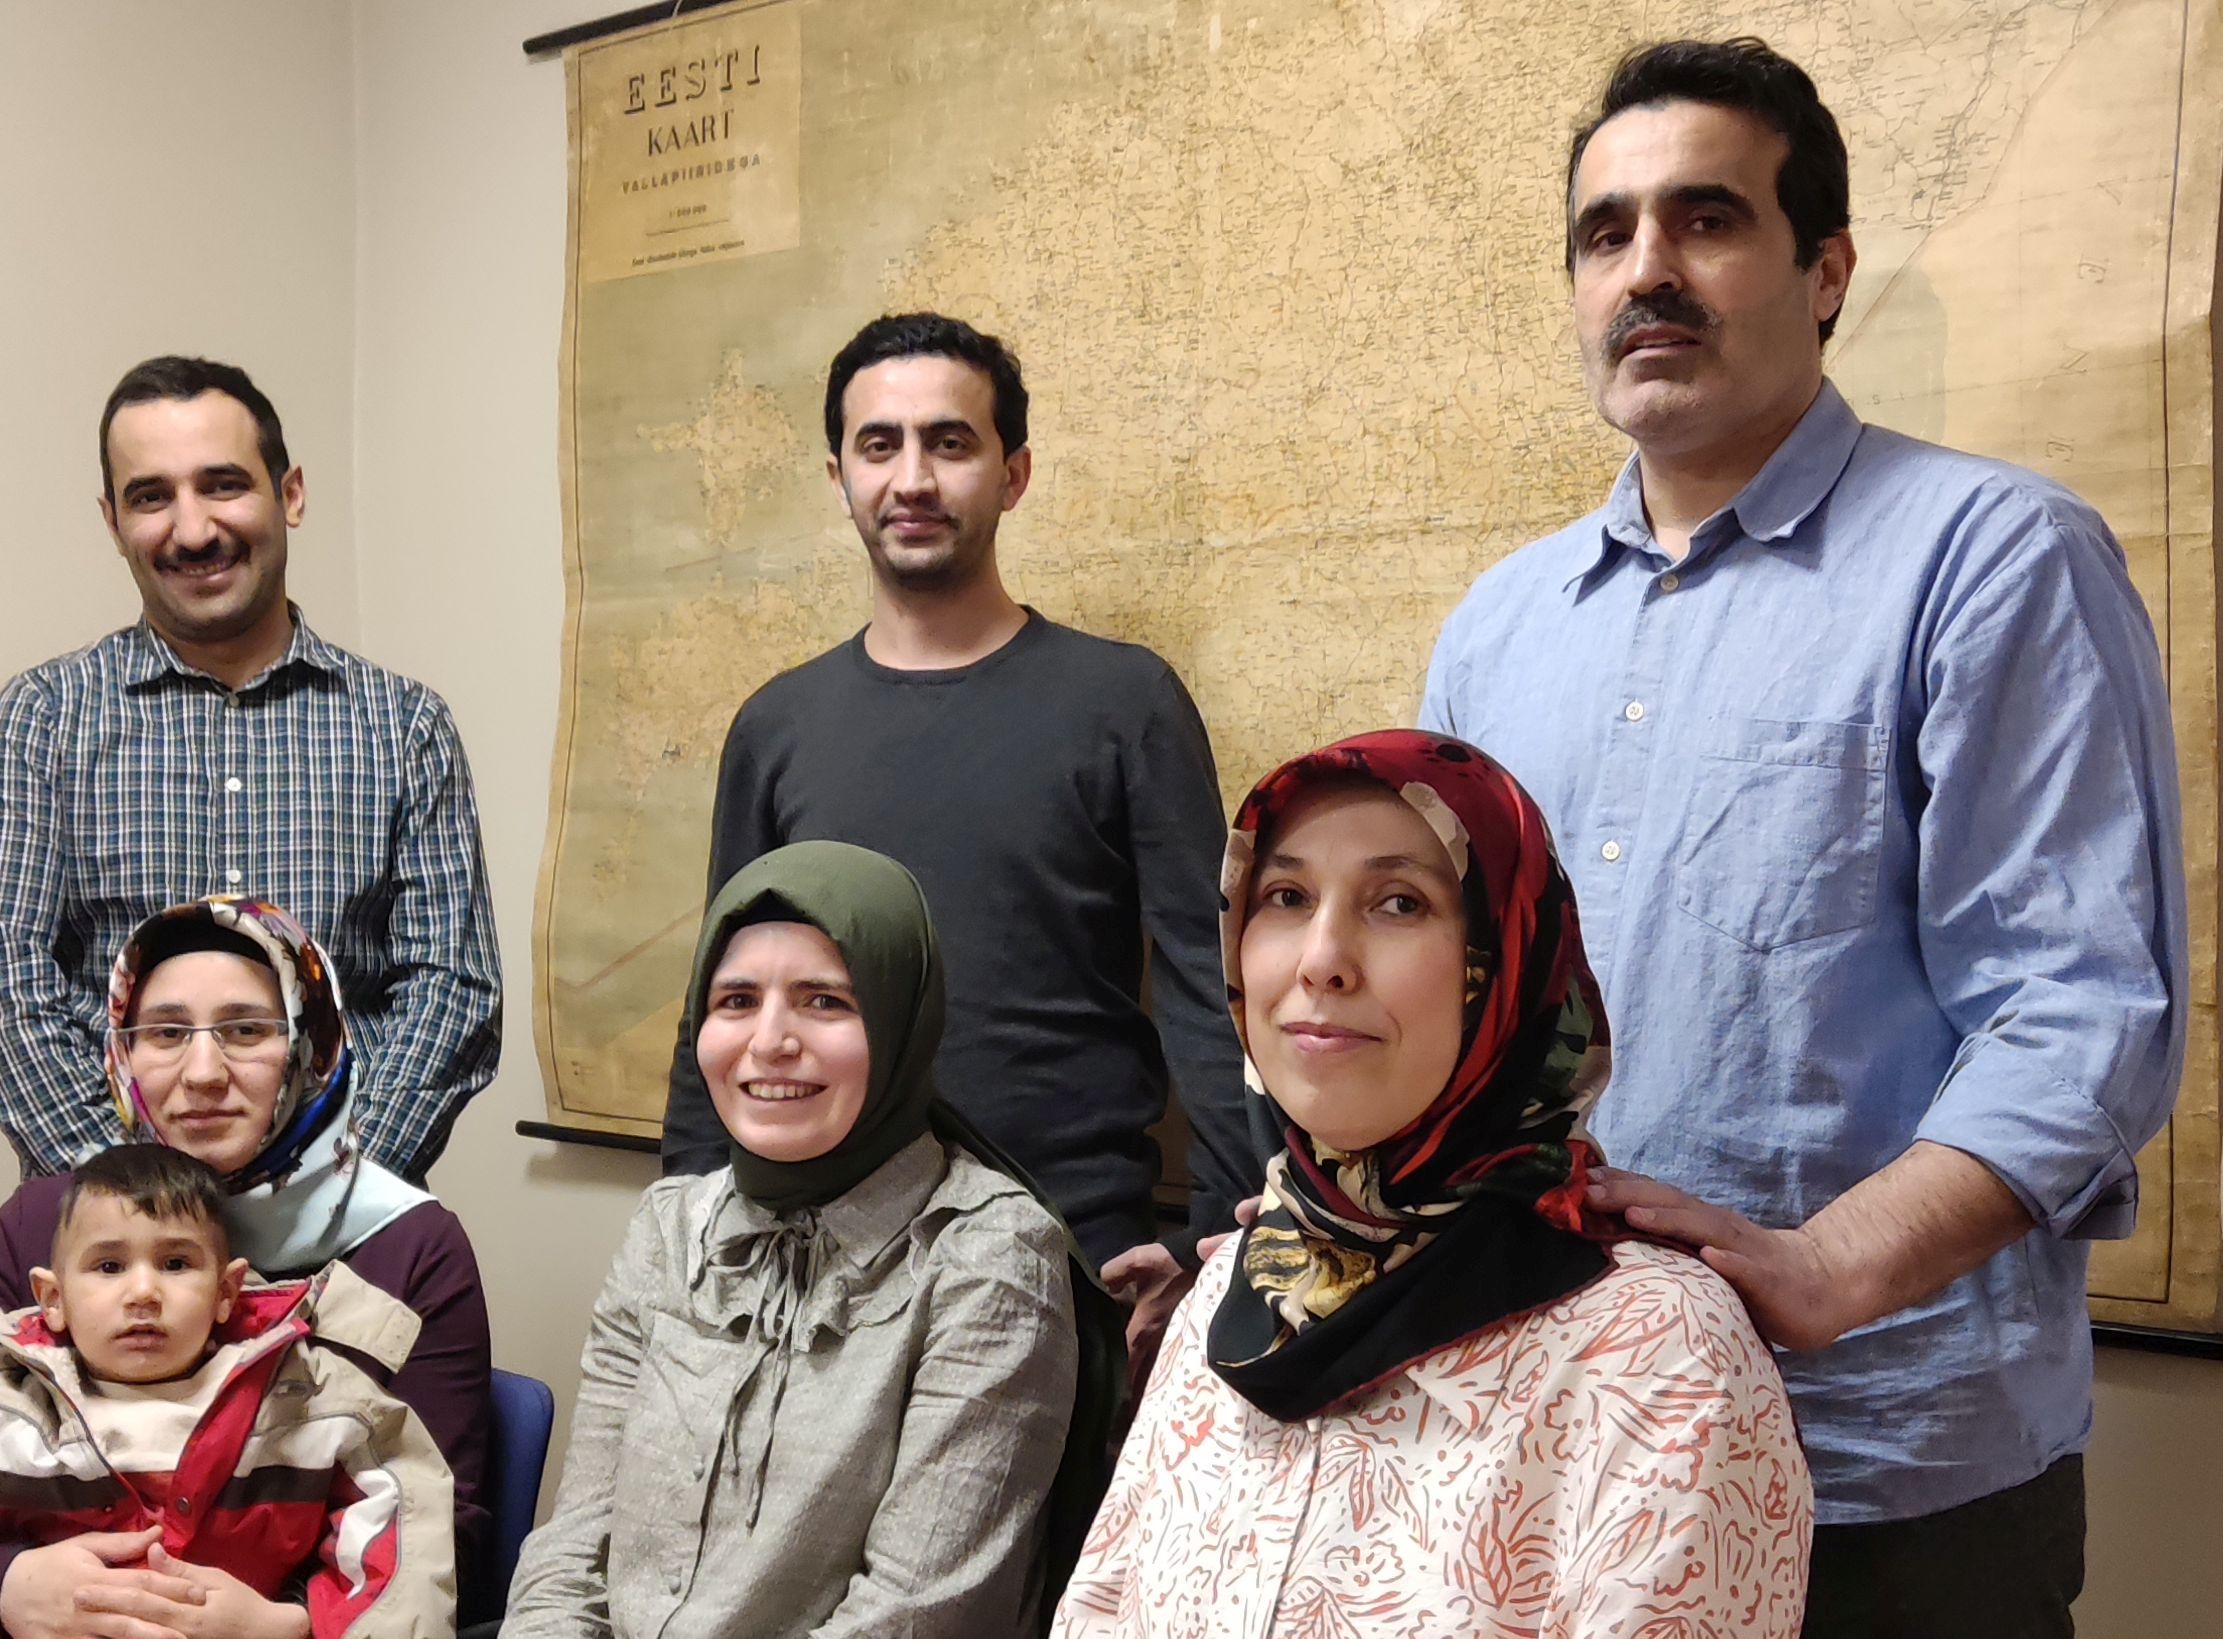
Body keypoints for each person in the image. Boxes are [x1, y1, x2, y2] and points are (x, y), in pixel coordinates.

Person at [1419, 38, 2185, 1635]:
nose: (1645, 268)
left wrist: (1829, 1264)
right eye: (1604, 233)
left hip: (1885, 1475)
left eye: (1705, 218)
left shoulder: (1990, 557)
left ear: (1822, 271)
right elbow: (1452, 1015)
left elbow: (2079, 1013)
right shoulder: (1496, 628)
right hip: (1566, 1433)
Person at [1053, 730, 1811, 1635]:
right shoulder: (1228, 1292)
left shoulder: (1655, 1354)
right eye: (1286, 896)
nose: (1321, 958)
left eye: (1399, 903)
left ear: (1505, 961)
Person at [660, 312, 1263, 1367]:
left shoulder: (1125, 703)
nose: (913, 479)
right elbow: (722, 1000)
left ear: (1012, 472)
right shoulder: (776, 727)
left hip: (1065, 1253)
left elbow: (1213, 989)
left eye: (949, 442)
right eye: (879, 445)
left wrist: (1215, 1242)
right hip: (812, 1262)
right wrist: (684, 1228)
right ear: (839, 478)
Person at [512, 841, 1120, 1636]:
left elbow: (914, 1612)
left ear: (901, 1020)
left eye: (825, 1000)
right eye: (736, 999)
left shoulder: (987, 1254)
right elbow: (572, 1546)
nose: (769, 1039)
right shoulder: (669, 1225)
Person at [0, 354, 501, 1184]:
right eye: (151, 496)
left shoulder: (405, 727)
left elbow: (450, 992)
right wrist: (156, 1208)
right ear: (112, 521)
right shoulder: (43, 721)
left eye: (223, 484)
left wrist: (319, 1193)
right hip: (113, 1237)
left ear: (291, 494)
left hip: (349, 1226)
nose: (193, 529)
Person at [0, 897, 495, 1638]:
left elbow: (440, 1532)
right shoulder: (42, 1225)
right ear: (123, 1055)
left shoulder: (410, 1245)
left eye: (246, 1030)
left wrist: (287, 1624)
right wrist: (4, 1587)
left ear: (309, 1044)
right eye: (166, 1033)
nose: (203, 1072)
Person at [0, 1143, 457, 1639]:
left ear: (226, 1291)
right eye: (109, 1266)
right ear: (52, 1299)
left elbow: (402, 1553)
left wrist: (287, 1625)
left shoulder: (317, 1398)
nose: (143, 1291)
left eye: (175, 1263)